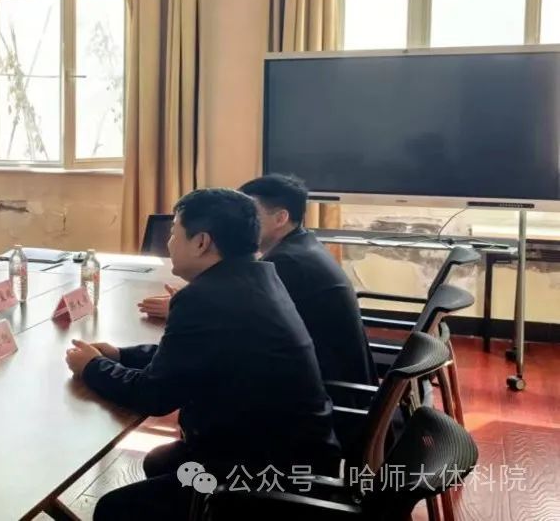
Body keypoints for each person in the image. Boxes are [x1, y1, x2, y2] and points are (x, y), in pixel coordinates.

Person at [66, 188, 340, 520]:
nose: (168, 244)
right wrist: (121, 355)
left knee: (114, 509)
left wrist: (92, 367)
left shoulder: (206, 298)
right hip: (289, 450)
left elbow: (153, 395)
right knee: (161, 461)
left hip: (268, 474)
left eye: (174, 233)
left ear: (201, 242)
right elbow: (192, 354)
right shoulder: (256, 276)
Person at [139, 175, 376, 388]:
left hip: (332, 392)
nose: (240, 220)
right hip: (317, 384)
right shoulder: (299, 249)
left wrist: (187, 309)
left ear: (281, 218)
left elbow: (161, 387)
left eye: (251, 212)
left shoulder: (288, 263)